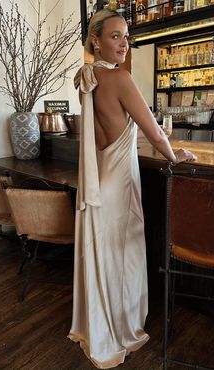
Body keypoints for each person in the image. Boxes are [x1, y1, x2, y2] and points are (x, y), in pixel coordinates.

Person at [68, 8, 197, 369]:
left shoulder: (86, 77)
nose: (124, 43)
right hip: (119, 185)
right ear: (96, 39)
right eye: (115, 36)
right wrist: (174, 155)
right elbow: (154, 131)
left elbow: (113, 128)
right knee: (122, 261)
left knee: (106, 261)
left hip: (98, 183)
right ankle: (120, 330)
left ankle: (102, 327)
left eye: (127, 36)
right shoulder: (120, 79)